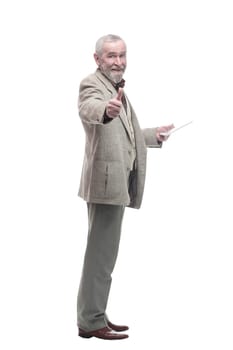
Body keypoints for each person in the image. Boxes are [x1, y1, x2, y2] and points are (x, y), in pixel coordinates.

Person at [77, 34, 174, 340]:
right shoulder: (93, 85)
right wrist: (106, 110)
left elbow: (127, 134)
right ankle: (90, 321)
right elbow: (90, 108)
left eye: (121, 55)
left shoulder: (117, 88)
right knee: (100, 256)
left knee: (105, 254)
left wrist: (153, 136)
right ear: (97, 59)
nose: (118, 61)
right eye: (110, 56)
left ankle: (95, 313)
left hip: (117, 183)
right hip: (105, 185)